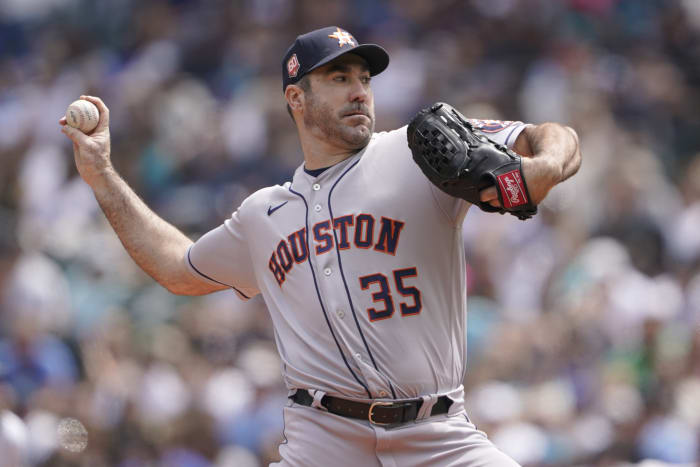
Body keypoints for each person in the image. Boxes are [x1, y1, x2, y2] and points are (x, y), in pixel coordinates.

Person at [60, 26, 581, 467]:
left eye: (363, 78)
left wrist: (542, 167)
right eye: (338, 78)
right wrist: (101, 174)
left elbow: (549, 137)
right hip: (324, 442)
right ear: (296, 98)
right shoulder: (263, 213)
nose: (359, 91)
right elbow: (177, 268)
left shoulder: (412, 151)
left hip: (437, 436)